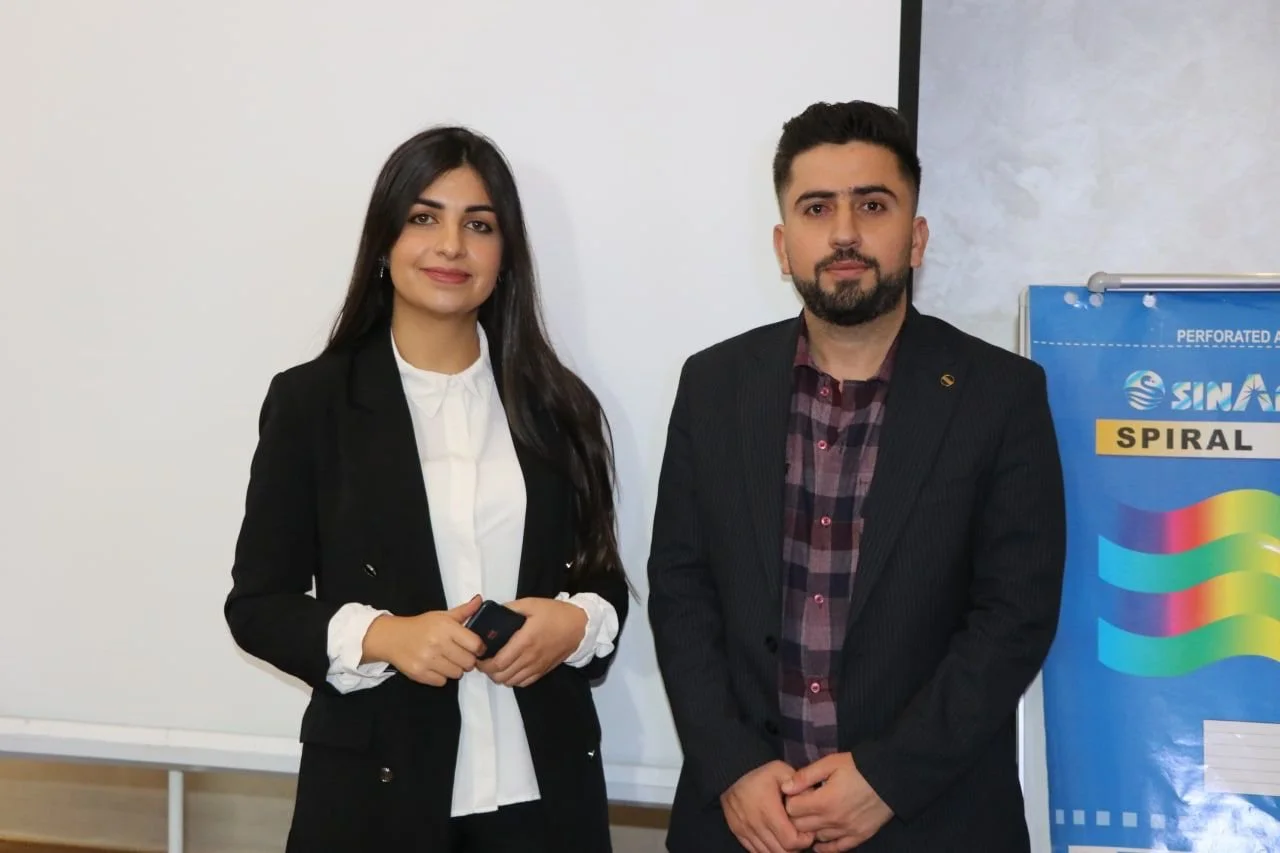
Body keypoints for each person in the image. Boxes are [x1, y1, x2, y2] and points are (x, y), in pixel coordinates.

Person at [647, 100, 1066, 853]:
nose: (845, 233)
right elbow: (681, 589)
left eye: (872, 205)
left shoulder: (1001, 395)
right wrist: (733, 767)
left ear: (917, 236)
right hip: (744, 822)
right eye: (817, 209)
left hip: (933, 822)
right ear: (784, 246)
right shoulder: (713, 385)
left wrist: (889, 778)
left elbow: (1015, 615)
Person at [224, 125, 629, 852]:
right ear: (384, 242)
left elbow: (602, 579)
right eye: (423, 217)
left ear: (505, 255)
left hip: (544, 799)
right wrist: (387, 636)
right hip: (377, 798)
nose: (451, 246)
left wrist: (575, 624)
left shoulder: (559, 405)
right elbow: (258, 605)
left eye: (479, 225)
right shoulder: (312, 402)